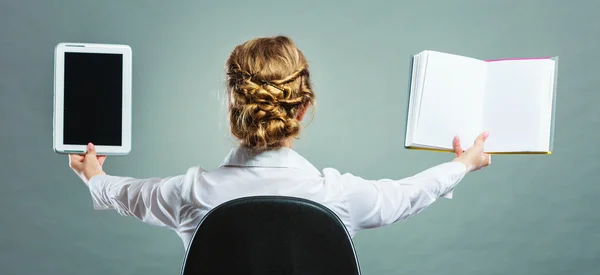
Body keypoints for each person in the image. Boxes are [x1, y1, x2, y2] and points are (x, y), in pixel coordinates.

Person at [68, 36, 491, 251]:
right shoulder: (337, 196)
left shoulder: (188, 194)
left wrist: (93, 174)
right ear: (303, 107)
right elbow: (409, 194)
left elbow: (123, 194)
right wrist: (464, 163)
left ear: (233, 105)